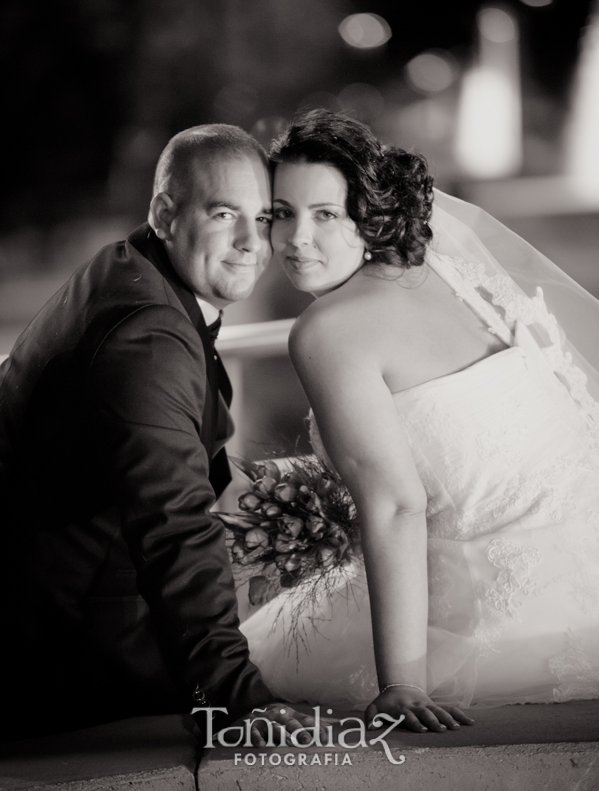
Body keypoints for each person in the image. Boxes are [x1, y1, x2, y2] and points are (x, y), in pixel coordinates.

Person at [240, 109, 599, 733]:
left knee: (248, 661)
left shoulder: (328, 329)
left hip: (516, 609)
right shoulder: (446, 270)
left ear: (369, 212)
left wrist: (403, 684)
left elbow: (397, 506)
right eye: (281, 214)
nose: (296, 239)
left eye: (325, 214)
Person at [0, 124, 321, 745]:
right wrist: (233, 697)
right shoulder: (146, 337)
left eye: (264, 216)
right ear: (165, 213)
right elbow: (172, 525)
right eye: (225, 213)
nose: (253, 242)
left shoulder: (127, 270)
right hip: (61, 658)